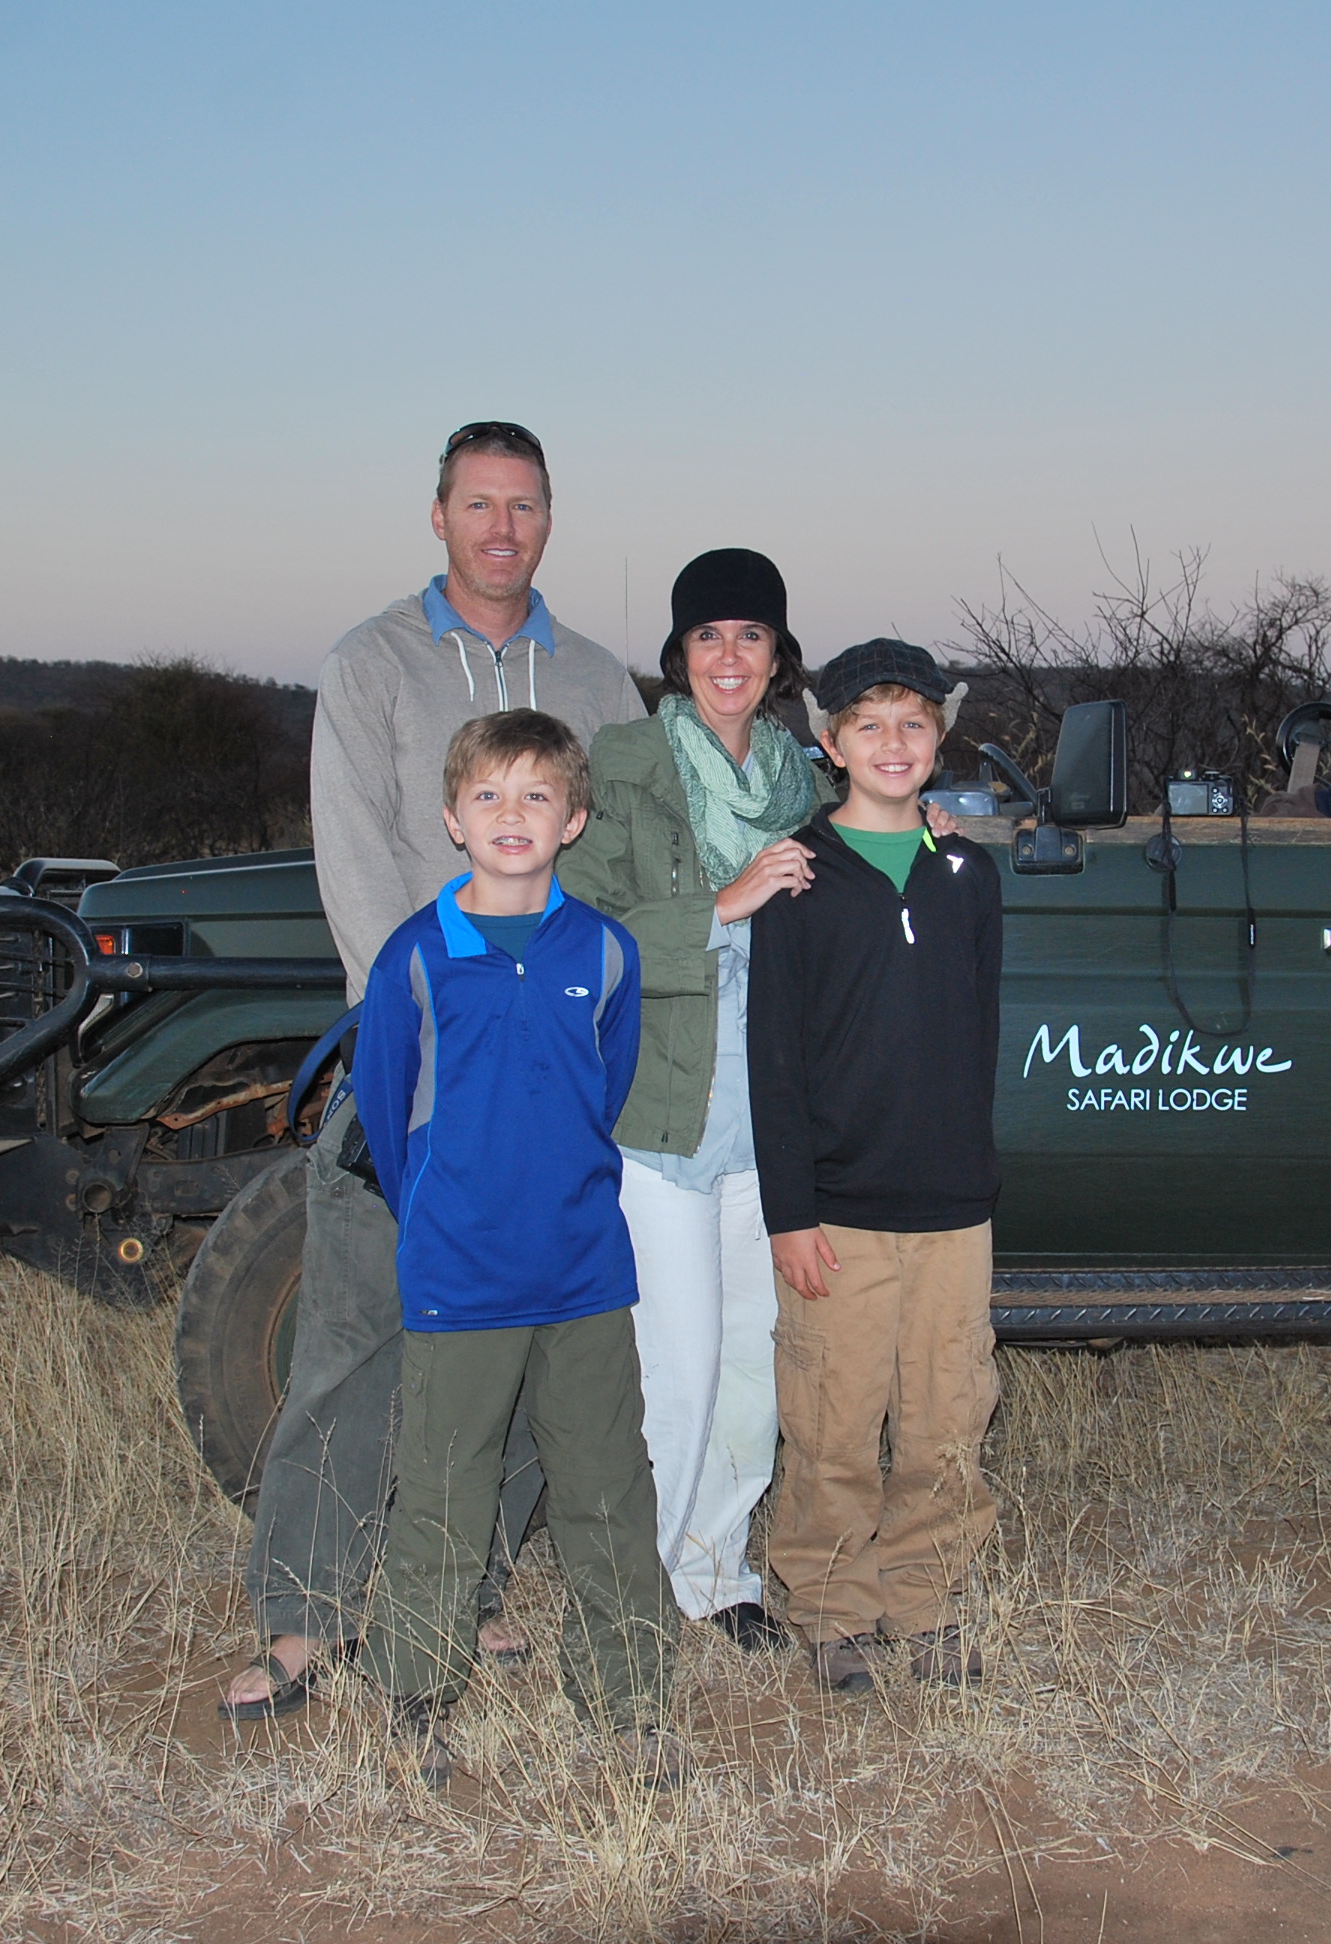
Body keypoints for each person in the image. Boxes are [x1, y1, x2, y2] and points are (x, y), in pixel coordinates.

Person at [223, 422, 643, 1721]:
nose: (501, 527)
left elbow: (623, 861)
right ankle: (304, 1615)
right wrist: (413, 1040)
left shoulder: (597, 678)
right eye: (478, 503)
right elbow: (353, 862)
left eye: (523, 506)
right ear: (439, 516)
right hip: (416, 1060)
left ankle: (461, 1593)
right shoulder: (374, 666)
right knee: (356, 1343)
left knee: (522, 1352)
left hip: (547, 1072)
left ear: (550, 521)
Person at [353, 710, 678, 1789]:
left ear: (573, 819)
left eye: (536, 796)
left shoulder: (605, 950)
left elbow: (609, 1087)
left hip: (584, 1271)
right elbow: (387, 1108)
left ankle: (628, 1702)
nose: (511, 815)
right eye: (488, 795)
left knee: (606, 1490)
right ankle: (413, 1695)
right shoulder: (415, 958)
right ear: (451, 818)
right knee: (445, 1489)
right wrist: (450, 1216)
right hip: (460, 1275)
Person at [558, 549, 825, 1655]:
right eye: (708, 636)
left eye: (750, 637)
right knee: (678, 1363)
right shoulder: (618, 764)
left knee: (753, 1357)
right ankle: (641, 1585)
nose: (729, 656)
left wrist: (937, 837)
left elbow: (869, 850)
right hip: (662, 1106)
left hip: (767, 1110)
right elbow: (585, 922)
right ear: (678, 655)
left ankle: (718, 1574)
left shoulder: (799, 779)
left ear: (776, 658)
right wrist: (721, 904)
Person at [747, 640, 1005, 1695]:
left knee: (949, 1413)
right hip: (838, 1211)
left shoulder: (966, 870)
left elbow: (977, 1027)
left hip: (950, 1206)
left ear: (938, 740)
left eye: (912, 724)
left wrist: (970, 1174)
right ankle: (827, 1609)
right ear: (829, 741)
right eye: (868, 726)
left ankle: (927, 1602)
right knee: (833, 1418)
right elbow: (773, 1058)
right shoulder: (798, 878)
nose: (891, 744)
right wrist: (790, 1211)